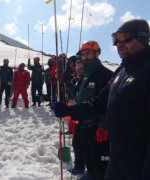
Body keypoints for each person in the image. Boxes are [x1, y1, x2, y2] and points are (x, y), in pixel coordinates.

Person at [53, 19, 150, 180]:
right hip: (118, 157)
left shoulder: (145, 71)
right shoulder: (122, 71)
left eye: (124, 37)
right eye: (115, 39)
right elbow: (99, 102)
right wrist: (69, 111)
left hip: (139, 163)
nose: (119, 43)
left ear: (142, 37)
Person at [56, 41, 113, 180]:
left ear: (97, 53)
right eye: (83, 53)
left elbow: (108, 102)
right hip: (82, 124)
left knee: (100, 164)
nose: (85, 56)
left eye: (89, 53)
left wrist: (104, 126)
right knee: (85, 156)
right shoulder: (84, 77)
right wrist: (66, 82)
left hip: (96, 127)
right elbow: (77, 95)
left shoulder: (105, 74)